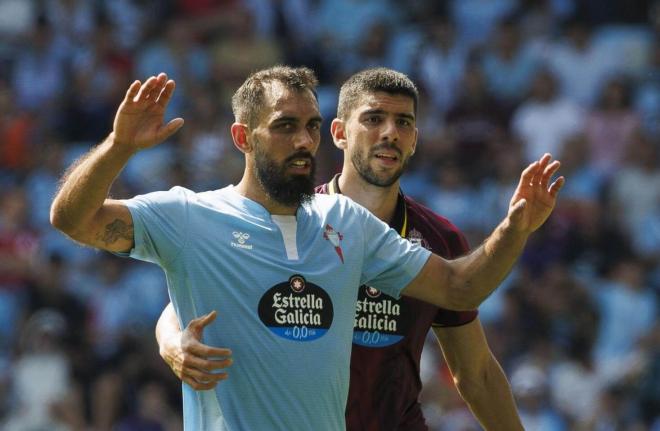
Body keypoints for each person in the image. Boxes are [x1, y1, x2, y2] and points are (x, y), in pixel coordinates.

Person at [50, 67, 563, 430]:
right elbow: (83, 227)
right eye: (286, 126)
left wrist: (516, 227)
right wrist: (173, 342)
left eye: (309, 127)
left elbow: (463, 306)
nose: (303, 141)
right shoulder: (194, 216)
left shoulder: (355, 226)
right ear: (242, 138)